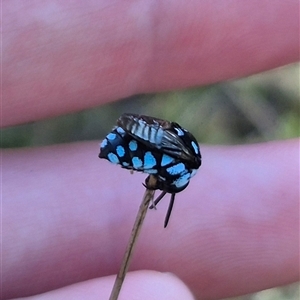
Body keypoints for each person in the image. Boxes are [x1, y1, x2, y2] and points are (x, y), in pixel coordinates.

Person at [2, 1, 299, 299]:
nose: (163, 187)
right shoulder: (187, 160)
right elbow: (161, 144)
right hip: (134, 140)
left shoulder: (184, 164)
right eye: (167, 187)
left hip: (136, 141)